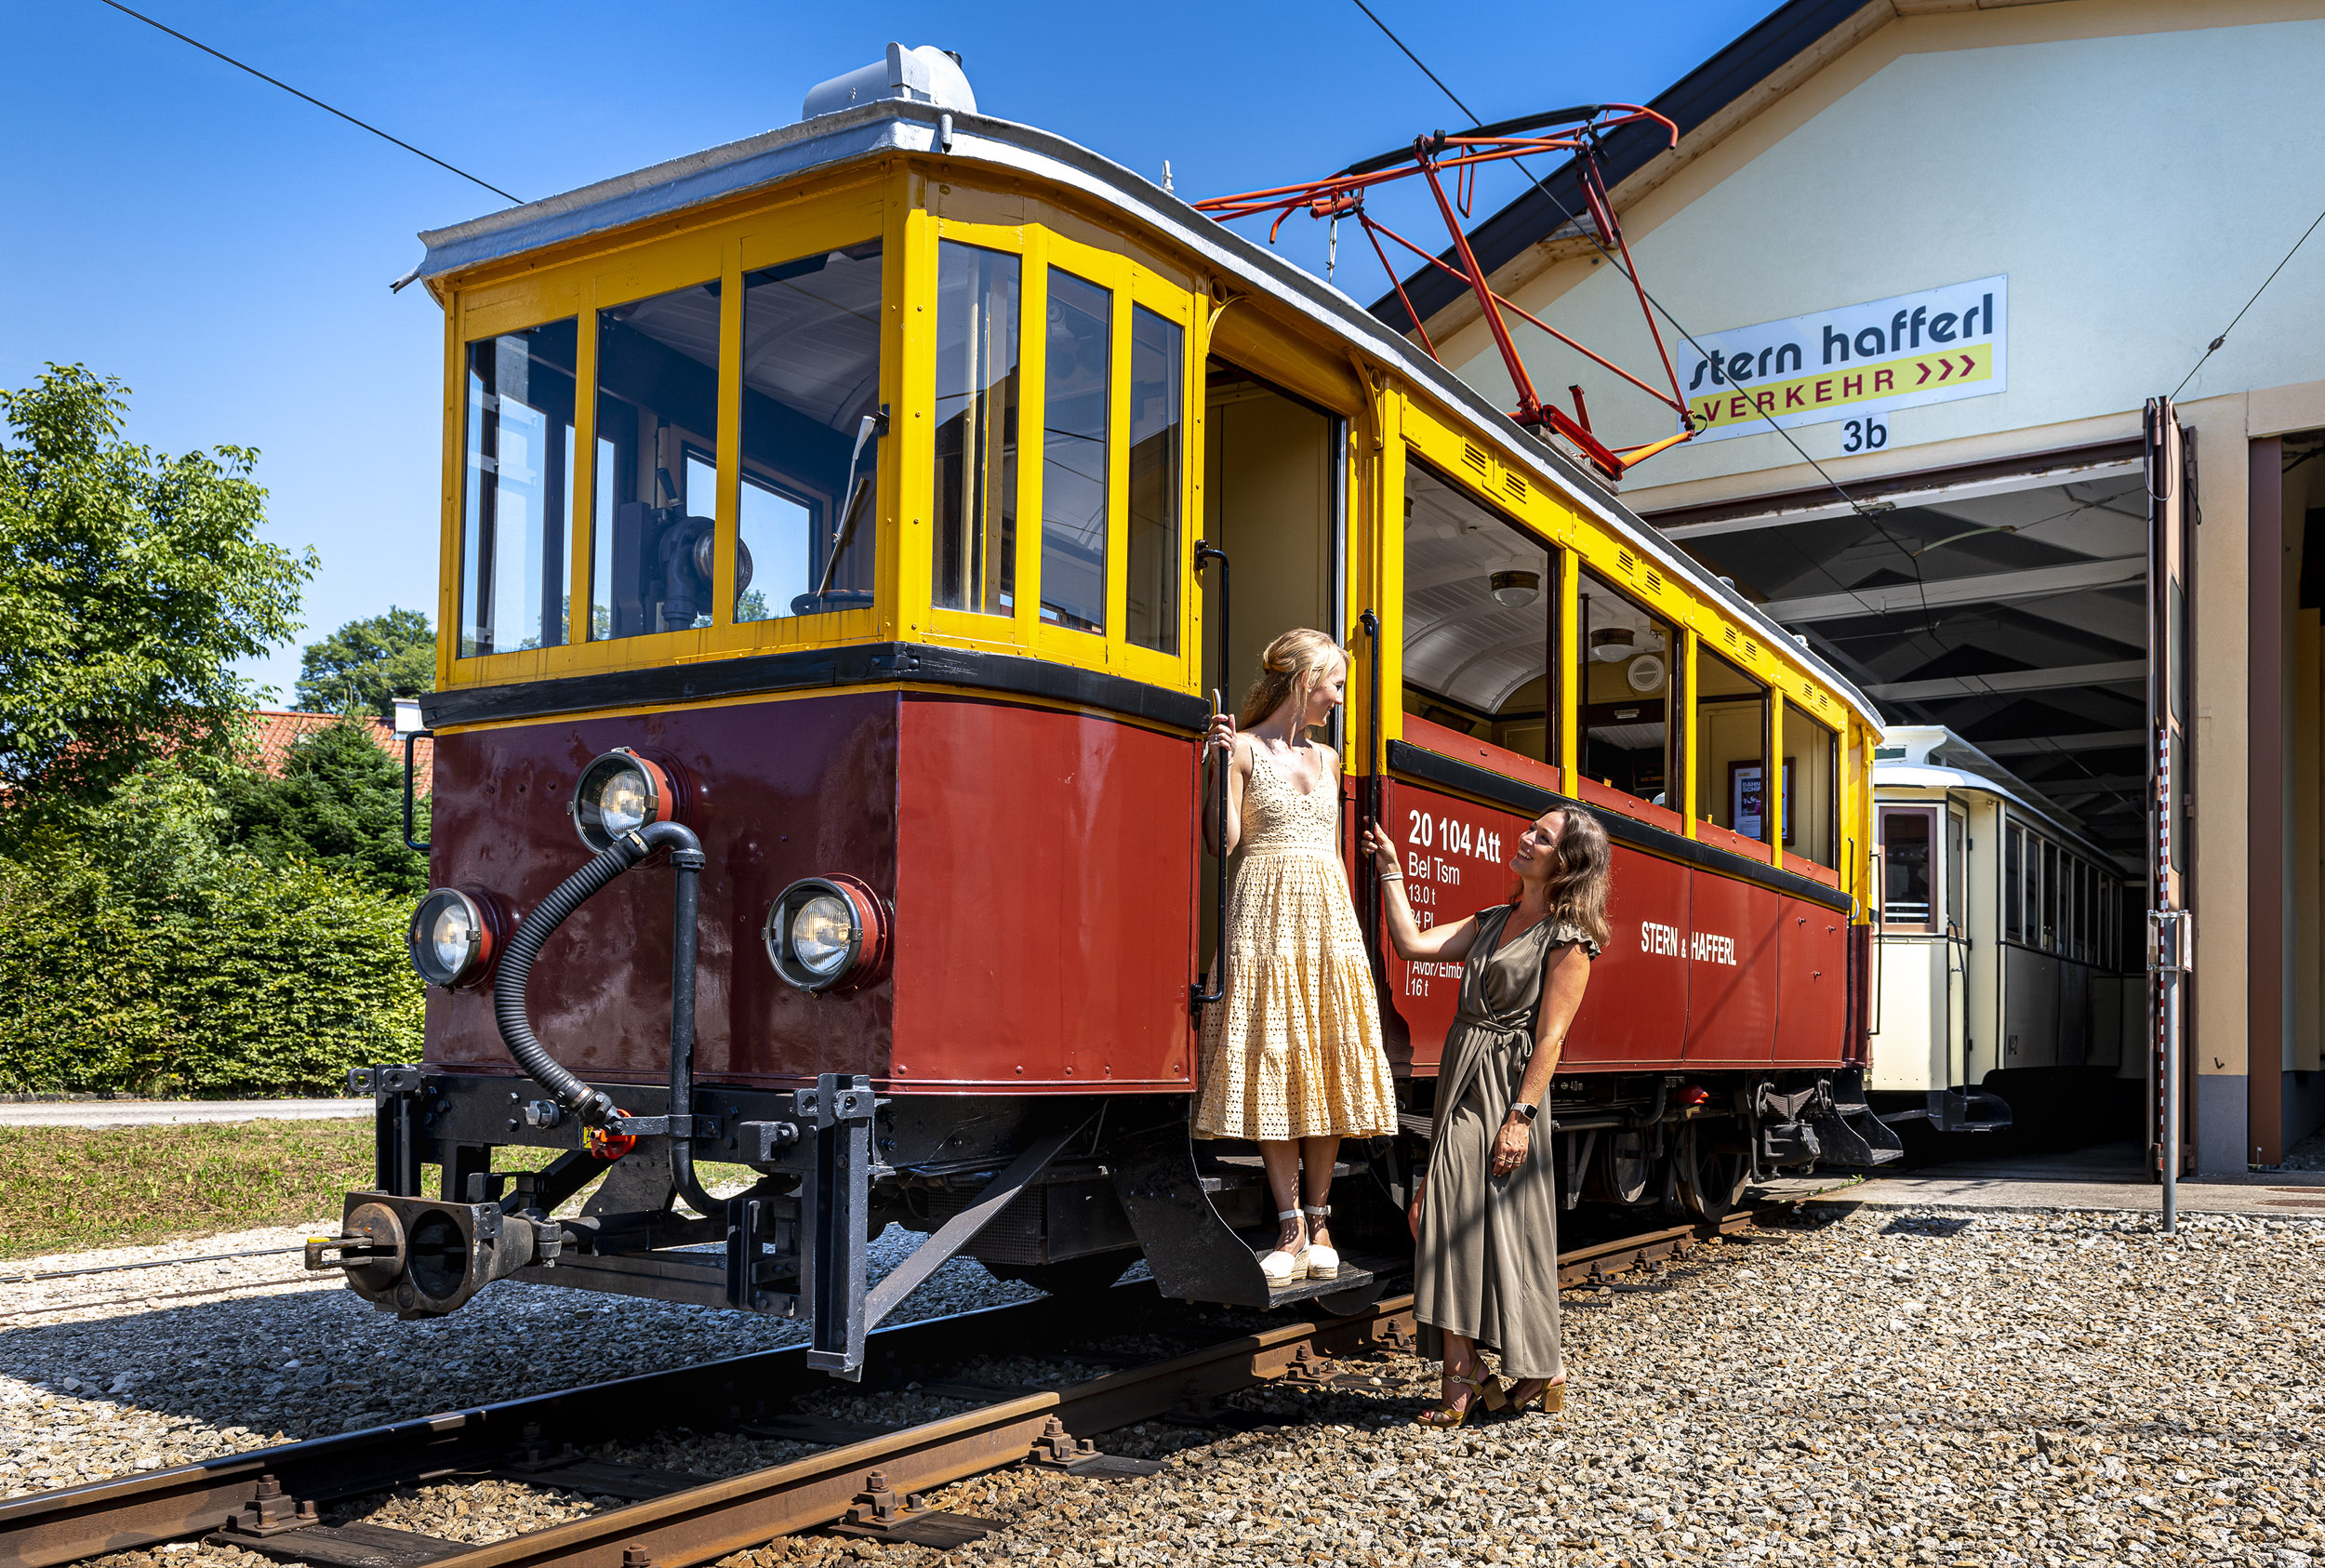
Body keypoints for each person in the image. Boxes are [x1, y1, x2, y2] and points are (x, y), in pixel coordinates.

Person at [1362, 804, 1611, 1426]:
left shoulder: (1568, 939)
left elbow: (1552, 1038)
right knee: (1435, 1214)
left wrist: (1521, 1116)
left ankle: (1494, 1373)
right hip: (1463, 1076)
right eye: (1531, 828)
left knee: (1481, 1223)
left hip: (1506, 1087)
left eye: (1543, 838)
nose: (1526, 839)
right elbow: (1414, 945)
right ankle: (1472, 1367)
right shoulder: (1494, 919)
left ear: (1566, 862)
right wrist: (1392, 871)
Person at [1194, 629, 1398, 1286]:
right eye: (1333, 685)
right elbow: (1223, 843)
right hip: (1264, 914)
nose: (1338, 699)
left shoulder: (1332, 758)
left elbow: (1330, 849)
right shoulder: (1245, 750)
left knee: (1327, 1057)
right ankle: (1289, 1223)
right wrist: (1218, 767)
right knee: (1280, 1061)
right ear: (1303, 682)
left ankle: (1320, 1216)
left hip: (1326, 917)